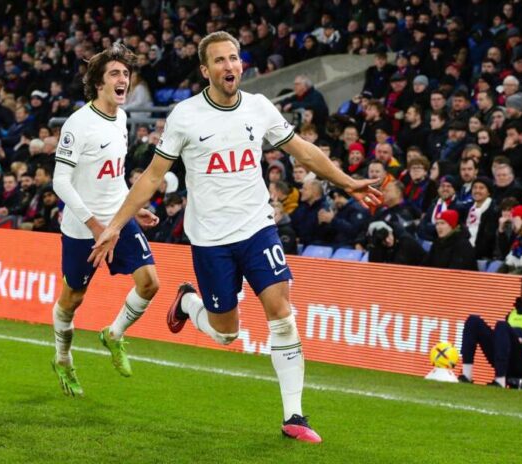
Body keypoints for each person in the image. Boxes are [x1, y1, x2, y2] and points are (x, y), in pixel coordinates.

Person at [89, 31, 382, 443]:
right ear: (205, 70)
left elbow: (304, 151)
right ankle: (188, 303)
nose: (230, 66)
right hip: (210, 240)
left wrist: (347, 181)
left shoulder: (259, 108)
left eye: (234, 58)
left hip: (257, 227)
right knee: (226, 333)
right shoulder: (186, 116)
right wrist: (116, 225)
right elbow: (153, 176)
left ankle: (295, 414)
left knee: (281, 311)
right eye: (220, 61)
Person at [49, 43, 161, 397]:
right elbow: (60, 181)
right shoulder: (78, 124)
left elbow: (113, 176)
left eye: (126, 74)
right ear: (98, 82)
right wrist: (95, 225)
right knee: (72, 300)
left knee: (150, 283)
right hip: (83, 228)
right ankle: (63, 358)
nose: (123, 79)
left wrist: (131, 208)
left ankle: (114, 334)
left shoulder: (123, 119)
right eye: (115, 73)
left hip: (117, 218)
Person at [459, 274, 522, 388]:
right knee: (473, 321)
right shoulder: (513, 313)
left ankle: (500, 381)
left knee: (502, 326)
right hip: (504, 359)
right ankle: (466, 376)